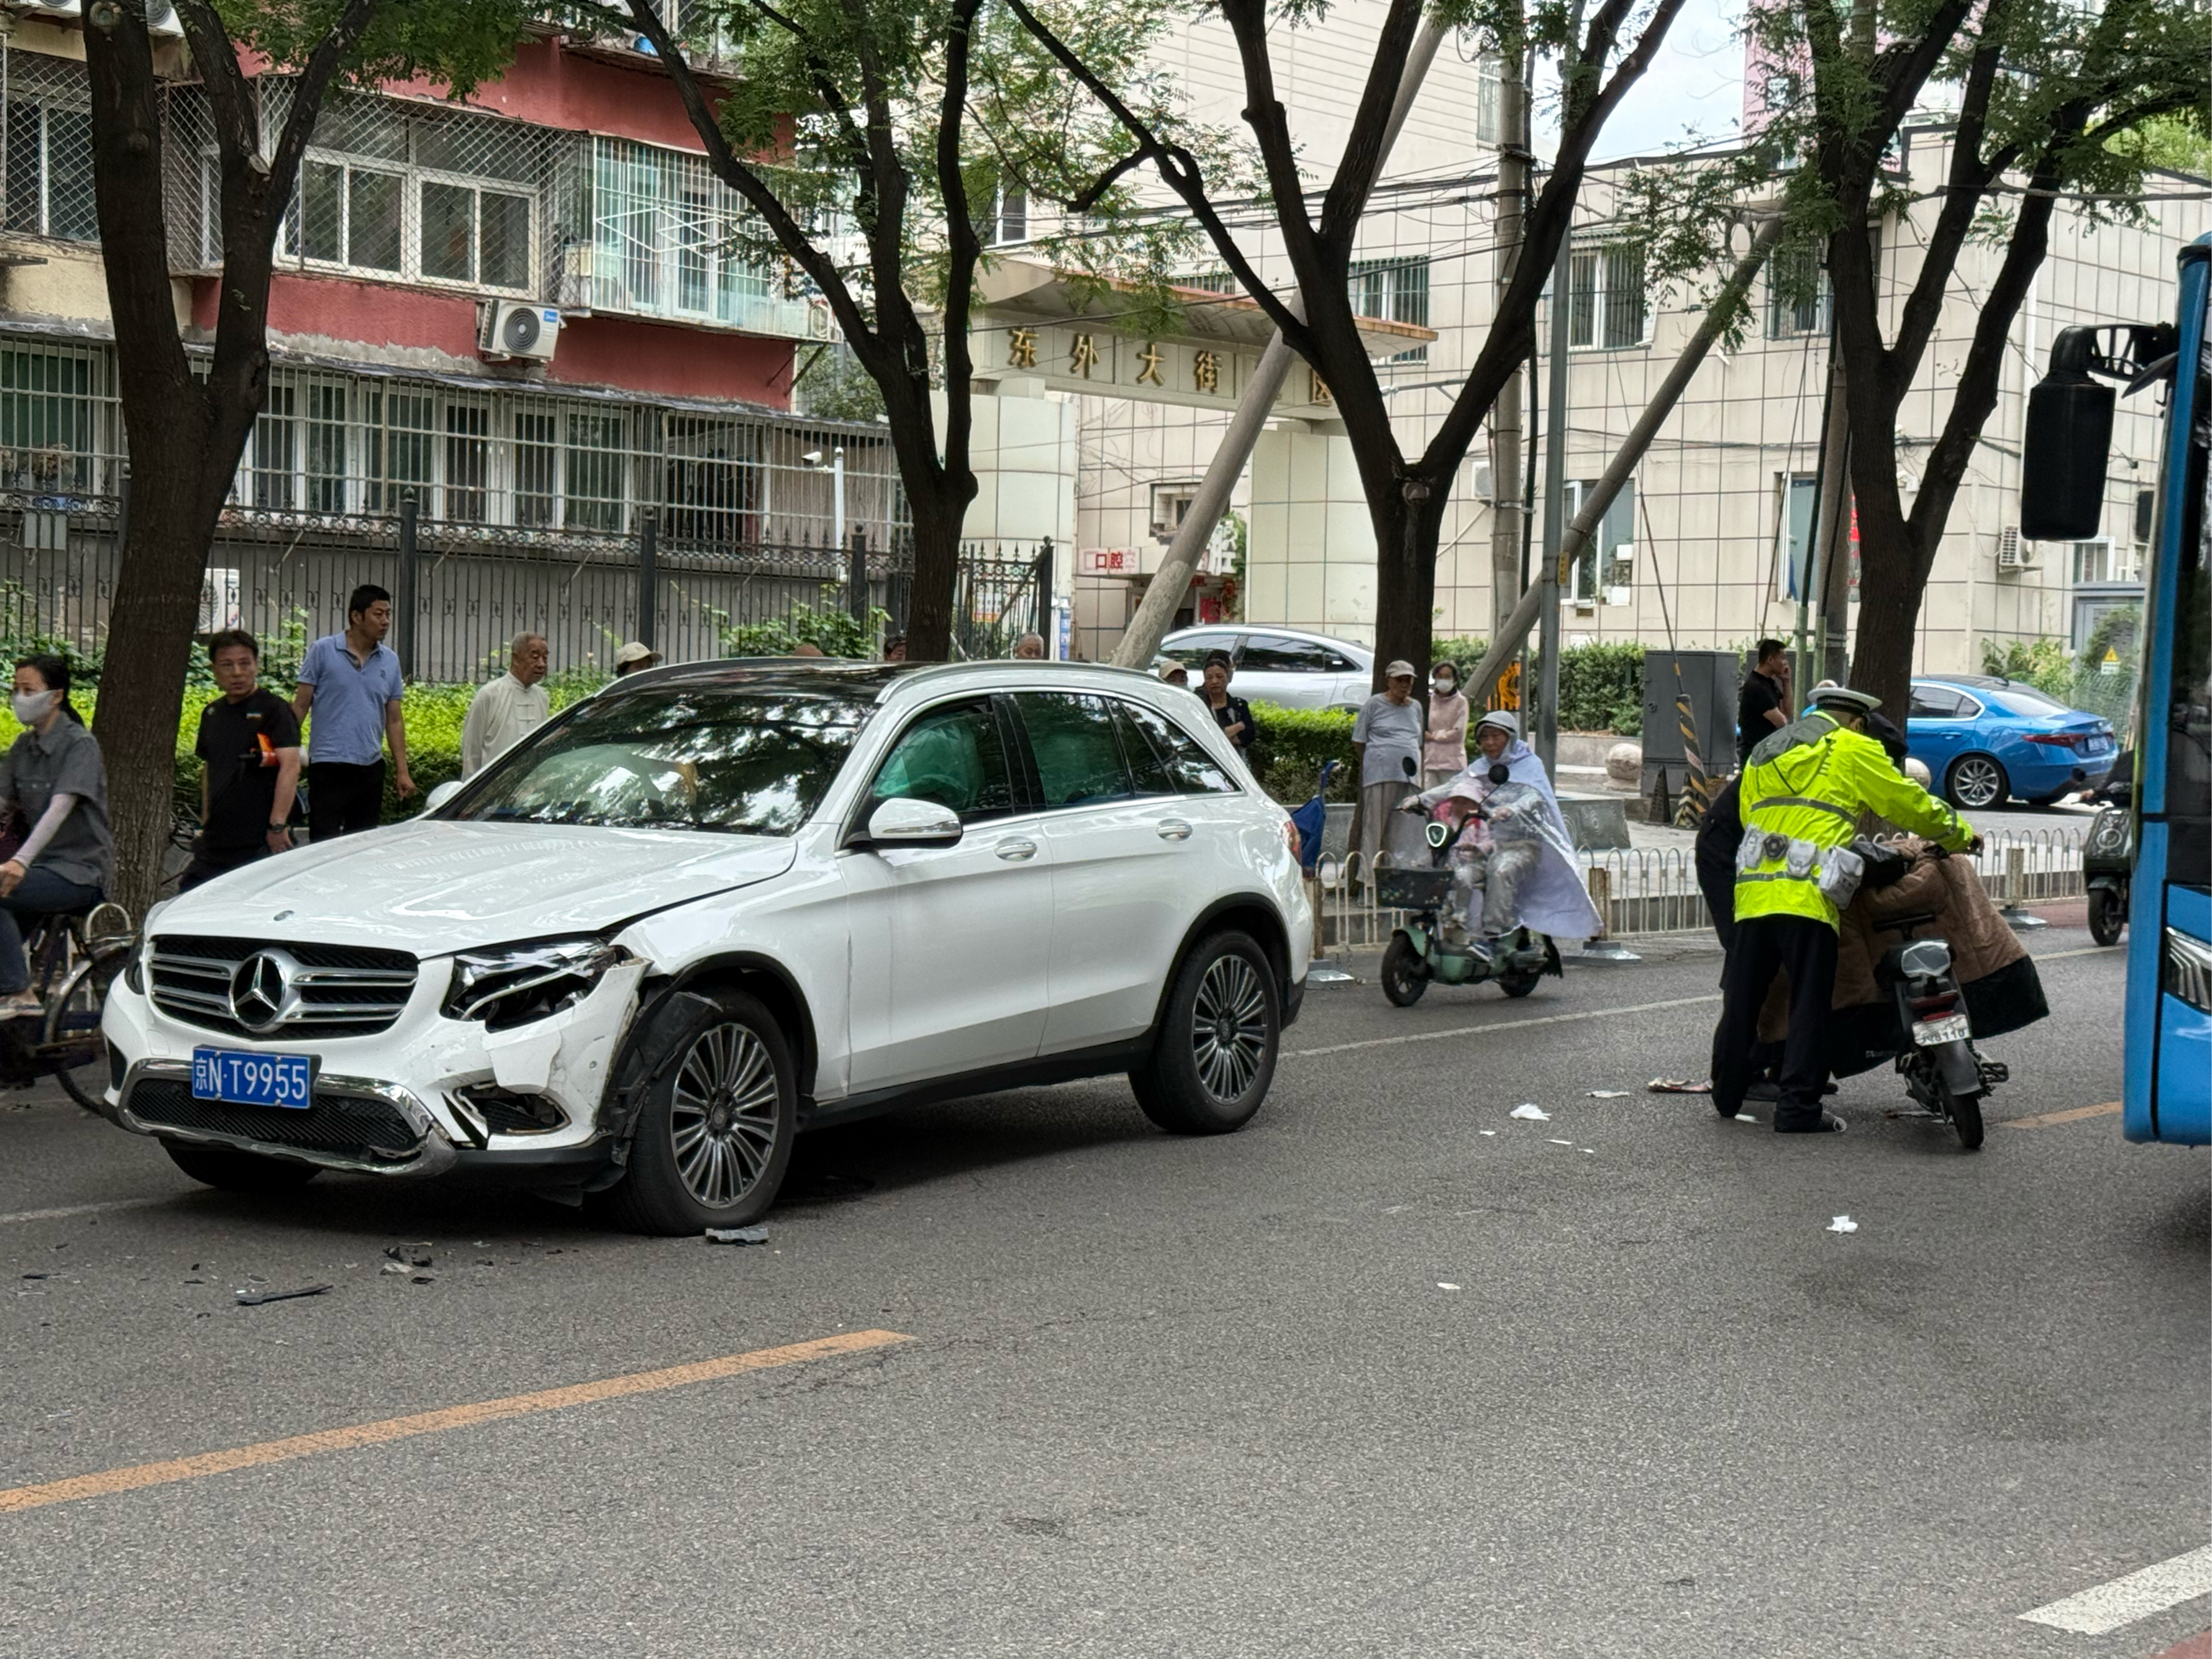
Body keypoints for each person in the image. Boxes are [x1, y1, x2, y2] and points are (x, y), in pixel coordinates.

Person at [1711, 683, 1978, 1134]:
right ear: (1855, 720)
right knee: (1810, 1003)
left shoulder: (1764, 752)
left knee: (1745, 1000)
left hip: (1754, 891)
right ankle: (1798, 1110)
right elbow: (1907, 803)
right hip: (1808, 894)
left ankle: (1727, 1094)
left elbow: (1750, 814)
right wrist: (1958, 834)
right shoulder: (1851, 746)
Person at [1415, 711, 1602, 952]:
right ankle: (1458, 926)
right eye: (1485, 738)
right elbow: (1454, 787)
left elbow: (1534, 796)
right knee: (1459, 873)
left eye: (1496, 736)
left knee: (1500, 871)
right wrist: (1420, 799)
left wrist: (1512, 808)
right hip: (1484, 845)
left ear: (1510, 738)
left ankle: (1495, 936)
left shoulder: (1528, 765)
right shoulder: (1479, 768)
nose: (1490, 743)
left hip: (1520, 845)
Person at [0, 655, 110, 1017]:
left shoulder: (80, 745)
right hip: (38, 872)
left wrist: (19, 861)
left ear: (56, 695)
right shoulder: (22, 748)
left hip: (78, 874)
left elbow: (59, 809)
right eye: (16, 689)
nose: (19, 697)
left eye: (28, 689)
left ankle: (22, 994)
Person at [182, 630, 301, 893]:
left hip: (259, 839)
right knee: (190, 897)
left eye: (244, 663)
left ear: (256, 664)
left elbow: (290, 766)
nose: (237, 672)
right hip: (217, 840)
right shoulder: (212, 713)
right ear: (214, 669)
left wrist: (277, 825)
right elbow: (209, 768)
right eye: (227, 665)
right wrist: (205, 820)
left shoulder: (275, 709)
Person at [294, 584, 411, 840]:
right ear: (356, 616)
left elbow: (394, 719)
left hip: (370, 768)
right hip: (328, 766)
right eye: (378, 614)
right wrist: (287, 751)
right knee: (323, 844)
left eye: (388, 614)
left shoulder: (390, 661)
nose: (385, 621)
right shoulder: (322, 651)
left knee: (360, 845)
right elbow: (301, 704)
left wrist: (402, 771)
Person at [1352, 660, 1424, 875]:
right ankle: (1369, 883)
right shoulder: (1374, 704)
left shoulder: (1416, 707)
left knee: (1405, 832)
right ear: (1389, 681)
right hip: (1380, 775)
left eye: (1408, 680)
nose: (1404, 685)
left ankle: (1399, 879)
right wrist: (1377, 760)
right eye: (1399, 680)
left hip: (1410, 777)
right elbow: (1359, 740)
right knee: (1374, 829)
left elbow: (1418, 740)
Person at [461, 633, 551, 779]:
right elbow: (471, 752)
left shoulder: (542, 697)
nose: (541, 664)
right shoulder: (489, 695)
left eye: (545, 658)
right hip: (493, 788)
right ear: (516, 659)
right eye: (535, 657)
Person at [1736, 639, 1791, 766]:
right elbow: (1781, 722)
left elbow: (1787, 712)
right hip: (1755, 755)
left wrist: (1786, 682)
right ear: (1770, 660)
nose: (1785, 663)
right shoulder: (1756, 687)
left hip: (1767, 753)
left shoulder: (1769, 683)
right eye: (1782, 658)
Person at [1423, 662, 1470, 788]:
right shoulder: (1428, 700)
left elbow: (1458, 733)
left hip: (1452, 764)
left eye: (1448, 676)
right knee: (1429, 803)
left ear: (1454, 680)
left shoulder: (1460, 702)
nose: (1443, 680)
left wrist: (1433, 737)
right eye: (1440, 676)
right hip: (1430, 762)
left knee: (1449, 804)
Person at [1199, 651, 1254, 755]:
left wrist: (1219, 735)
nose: (1214, 681)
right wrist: (1237, 727)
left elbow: (1248, 736)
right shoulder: (1199, 706)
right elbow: (1205, 740)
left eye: (1219, 676)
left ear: (1227, 677)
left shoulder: (1239, 705)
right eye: (1209, 678)